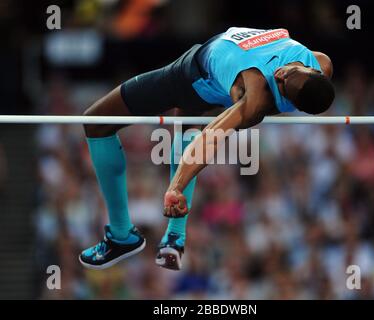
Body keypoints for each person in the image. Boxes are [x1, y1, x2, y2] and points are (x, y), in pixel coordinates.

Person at [79, 27, 335, 270]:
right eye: (291, 70)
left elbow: (211, 138)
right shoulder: (321, 63)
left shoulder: (257, 95)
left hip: (189, 76)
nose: (280, 73)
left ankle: (122, 235)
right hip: (214, 72)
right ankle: (174, 239)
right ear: (314, 71)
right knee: (187, 125)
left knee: (96, 122)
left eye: (283, 83)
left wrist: (176, 186)